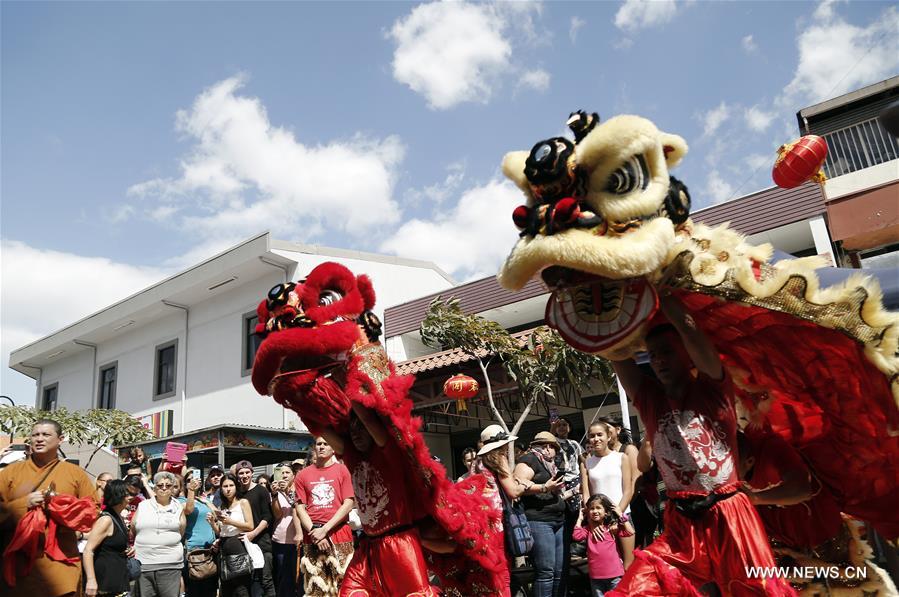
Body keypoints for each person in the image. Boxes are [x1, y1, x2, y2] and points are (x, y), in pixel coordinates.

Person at [607, 292, 795, 596]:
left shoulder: (714, 388)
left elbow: (690, 329)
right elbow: (615, 354)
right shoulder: (650, 399)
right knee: (636, 590)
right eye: (653, 354)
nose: (658, 360)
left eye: (667, 351)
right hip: (681, 523)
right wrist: (601, 302)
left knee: (759, 592)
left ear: (688, 353)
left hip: (730, 516)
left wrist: (660, 285)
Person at [318, 404, 437, 596]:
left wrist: (352, 390)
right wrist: (293, 398)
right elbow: (319, 427)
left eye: (361, 428)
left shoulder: (390, 453)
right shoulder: (352, 456)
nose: (355, 434)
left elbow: (369, 419)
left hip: (400, 544)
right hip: (368, 548)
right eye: (352, 429)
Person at [0, 419, 97, 597]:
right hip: (19, 564)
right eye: (35, 435)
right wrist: (24, 504)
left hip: (62, 561)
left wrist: (62, 506)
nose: (39, 439)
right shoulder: (10, 473)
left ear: (60, 439)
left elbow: (92, 510)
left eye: (46, 435)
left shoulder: (75, 473)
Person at [294, 436, 355, 597]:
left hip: (338, 532)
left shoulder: (342, 470)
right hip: (312, 535)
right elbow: (300, 507)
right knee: (316, 587)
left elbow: (348, 503)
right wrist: (315, 531)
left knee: (342, 583)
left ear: (333, 448)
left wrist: (325, 529)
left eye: (326, 444)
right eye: (318, 444)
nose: (321, 447)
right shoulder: (302, 475)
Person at [513, 431, 566, 597]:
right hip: (539, 520)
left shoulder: (550, 464)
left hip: (558, 520)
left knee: (558, 571)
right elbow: (518, 486)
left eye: (552, 446)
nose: (548, 449)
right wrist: (544, 487)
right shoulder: (529, 460)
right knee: (545, 572)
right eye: (543, 445)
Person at [472, 425, 522, 597]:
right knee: (504, 573)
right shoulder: (499, 458)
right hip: (497, 522)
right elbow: (513, 491)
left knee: (491, 574)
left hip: (481, 522)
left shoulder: (477, 463)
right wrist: (527, 485)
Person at [581, 421, 635, 568]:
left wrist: (617, 515)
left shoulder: (621, 457)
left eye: (600, 435)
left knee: (628, 564)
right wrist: (593, 522)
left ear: (608, 436)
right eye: (592, 436)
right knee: (607, 566)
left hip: (622, 516)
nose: (596, 439)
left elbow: (628, 490)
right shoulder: (586, 463)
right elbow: (586, 494)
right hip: (598, 520)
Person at [131, 471, 187, 597]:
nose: (164, 488)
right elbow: (133, 528)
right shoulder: (143, 505)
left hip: (170, 564)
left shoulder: (178, 507)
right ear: (154, 488)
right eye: (160, 485)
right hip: (144, 563)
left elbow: (181, 530)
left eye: (168, 485)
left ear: (172, 488)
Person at [573, 494, 633, 597]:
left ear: (606, 512)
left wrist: (620, 514)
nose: (595, 511)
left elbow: (630, 531)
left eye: (598, 508)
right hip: (596, 577)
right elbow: (576, 536)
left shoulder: (611, 528)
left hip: (615, 575)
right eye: (592, 508)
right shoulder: (588, 530)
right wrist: (580, 519)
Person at [551, 416, 583, 596]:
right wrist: (552, 426)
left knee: (574, 520)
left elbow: (582, 461)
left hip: (576, 484)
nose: (562, 427)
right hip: (560, 483)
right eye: (559, 425)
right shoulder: (552, 443)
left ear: (570, 428)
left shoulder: (575, 444)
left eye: (565, 425)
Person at [83, 479, 132, 597]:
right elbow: (88, 550)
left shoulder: (118, 517)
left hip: (116, 580)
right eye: (127, 494)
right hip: (104, 583)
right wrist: (91, 580)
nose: (131, 497)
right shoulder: (106, 520)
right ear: (119, 497)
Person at [209, 473, 255, 597]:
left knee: (241, 589)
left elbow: (250, 525)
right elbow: (221, 531)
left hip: (237, 548)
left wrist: (230, 521)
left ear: (236, 486)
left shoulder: (243, 502)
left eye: (231, 485)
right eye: (225, 486)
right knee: (226, 588)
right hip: (223, 549)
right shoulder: (222, 506)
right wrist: (212, 523)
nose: (228, 489)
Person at [235, 460, 276, 597]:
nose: (244, 476)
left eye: (247, 472)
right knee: (248, 582)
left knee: (266, 580)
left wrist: (253, 533)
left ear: (252, 473)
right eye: (241, 473)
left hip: (261, 542)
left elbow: (267, 517)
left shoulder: (261, 491)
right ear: (237, 475)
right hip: (242, 543)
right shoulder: (236, 493)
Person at [180, 470, 219, 597]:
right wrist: (191, 490)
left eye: (195, 478)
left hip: (211, 549)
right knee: (195, 591)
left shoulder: (203, 500)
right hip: (195, 551)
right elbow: (189, 510)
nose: (192, 481)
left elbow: (218, 515)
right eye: (188, 480)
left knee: (210, 591)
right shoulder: (181, 500)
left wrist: (207, 502)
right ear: (184, 484)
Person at [270, 463, 301, 597]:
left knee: (297, 579)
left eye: (287, 472)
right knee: (283, 580)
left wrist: (288, 492)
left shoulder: (300, 489)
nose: (284, 475)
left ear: (294, 475)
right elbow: (277, 515)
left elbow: (298, 508)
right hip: (280, 540)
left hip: (298, 540)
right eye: (281, 473)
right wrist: (275, 495)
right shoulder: (276, 492)